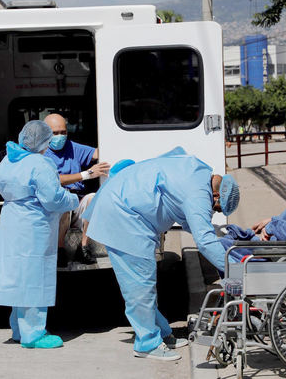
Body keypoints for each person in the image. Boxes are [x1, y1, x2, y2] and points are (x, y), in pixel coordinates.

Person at [83, 147, 240, 361]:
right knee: (140, 285)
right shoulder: (198, 193)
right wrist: (238, 271)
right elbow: (204, 241)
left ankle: (161, 334)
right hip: (124, 216)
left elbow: (194, 224)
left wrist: (219, 241)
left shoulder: (197, 172)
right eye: (218, 208)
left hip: (125, 207)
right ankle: (147, 344)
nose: (214, 212)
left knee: (144, 284)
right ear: (215, 196)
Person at [0, 120, 79, 349]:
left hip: (13, 222)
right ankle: (34, 334)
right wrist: (73, 199)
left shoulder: (8, 159)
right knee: (35, 278)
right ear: (44, 142)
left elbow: (0, 182)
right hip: (34, 225)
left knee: (20, 277)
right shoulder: (41, 163)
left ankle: (19, 329)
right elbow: (53, 199)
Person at [43, 114, 110, 266]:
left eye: (63, 132)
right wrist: (87, 174)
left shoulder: (72, 147)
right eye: (55, 133)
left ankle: (84, 247)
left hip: (77, 201)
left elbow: (100, 152)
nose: (60, 136)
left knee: (93, 198)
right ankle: (60, 250)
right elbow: (54, 179)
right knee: (64, 201)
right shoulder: (41, 153)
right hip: (56, 206)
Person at [219, 160, 286, 260]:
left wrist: (271, 227)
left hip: (278, 249)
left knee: (224, 244)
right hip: (276, 244)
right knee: (235, 237)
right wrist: (271, 220)